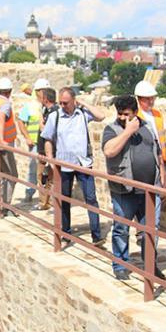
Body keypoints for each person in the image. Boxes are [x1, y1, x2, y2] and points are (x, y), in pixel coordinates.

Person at [102, 95, 165, 281]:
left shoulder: (147, 128)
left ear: (135, 113)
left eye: (126, 114)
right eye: (120, 114)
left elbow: (157, 153)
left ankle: (150, 265)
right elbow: (109, 151)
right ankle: (120, 265)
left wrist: (162, 179)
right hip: (124, 190)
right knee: (121, 228)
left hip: (149, 191)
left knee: (151, 230)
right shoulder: (111, 129)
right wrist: (128, 131)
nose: (122, 117)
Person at [41, 86, 107, 247]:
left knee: (91, 199)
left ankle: (96, 235)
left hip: (83, 163)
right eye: (61, 103)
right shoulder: (55, 117)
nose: (62, 106)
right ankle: (66, 232)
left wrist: (83, 103)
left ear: (74, 101)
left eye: (66, 103)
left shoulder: (83, 114)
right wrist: (50, 161)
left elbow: (101, 116)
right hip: (63, 165)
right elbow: (48, 139)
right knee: (64, 199)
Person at [134, 79, 166, 226]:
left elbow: (162, 141)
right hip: (142, 165)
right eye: (147, 99)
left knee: (156, 202)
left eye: (152, 98)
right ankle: (142, 230)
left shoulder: (157, 115)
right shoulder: (135, 116)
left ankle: (149, 236)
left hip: (159, 162)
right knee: (141, 200)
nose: (151, 101)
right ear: (139, 99)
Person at [0, 77, 18, 217]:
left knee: (2, 175)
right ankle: (5, 206)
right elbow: (1, 119)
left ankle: (0, 203)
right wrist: (2, 140)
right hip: (3, 145)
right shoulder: (5, 104)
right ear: (9, 91)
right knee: (12, 175)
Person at [17, 83, 42, 202]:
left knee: (48, 171)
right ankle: (29, 192)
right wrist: (27, 137)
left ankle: (47, 197)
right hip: (35, 143)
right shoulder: (30, 106)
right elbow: (21, 121)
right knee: (33, 168)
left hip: (48, 143)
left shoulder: (49, 104)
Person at [36, 84, 57, 210]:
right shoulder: (49, 111)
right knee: (47, 177)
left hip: (47, 151)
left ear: (46, 99)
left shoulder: (53, 113)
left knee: (44, 177)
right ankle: (47, 202)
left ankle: (46, 203)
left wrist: (40, 121)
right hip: (45, 150)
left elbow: (46, 131)